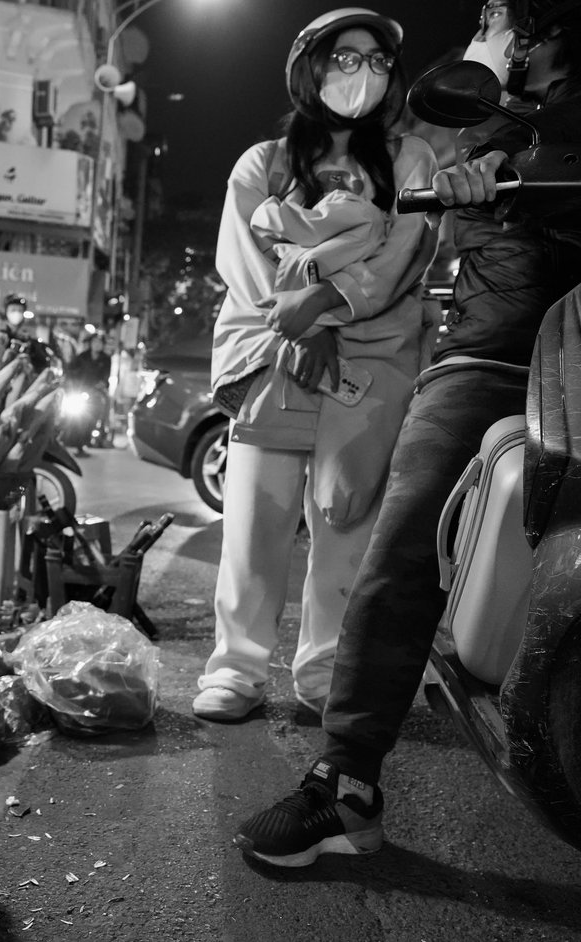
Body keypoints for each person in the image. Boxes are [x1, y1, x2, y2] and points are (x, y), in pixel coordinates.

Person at [235, 0, 581, 867]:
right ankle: (346, 779)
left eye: (498, 18)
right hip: (495, 349)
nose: (488, 24)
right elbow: (426, 208)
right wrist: (483, 168)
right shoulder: (478, 101)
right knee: (402, 538)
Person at [194, 7, 439, 724]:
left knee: (347, 522)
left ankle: (326, 672)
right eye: (346, 58)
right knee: (254, 522)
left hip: (369, 368)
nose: (364, 74)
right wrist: (297, 322)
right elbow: (242, 260)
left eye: (378, 61)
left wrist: (325, 304)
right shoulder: (260, 163)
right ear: (309, 68)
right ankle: (236, 669)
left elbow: (404, 253)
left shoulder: (411, 160)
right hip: (272, 361)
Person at [65, 332, 114, 451]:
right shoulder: (82, 357)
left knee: (102, 407)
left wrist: (102, 383)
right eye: (95, 342)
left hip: (96, 392)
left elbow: (106, 376)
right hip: (81, 390)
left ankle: (101, 433)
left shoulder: (106, 359)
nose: (97, 345)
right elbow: (72, 372)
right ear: (91, 343)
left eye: (99, 342)